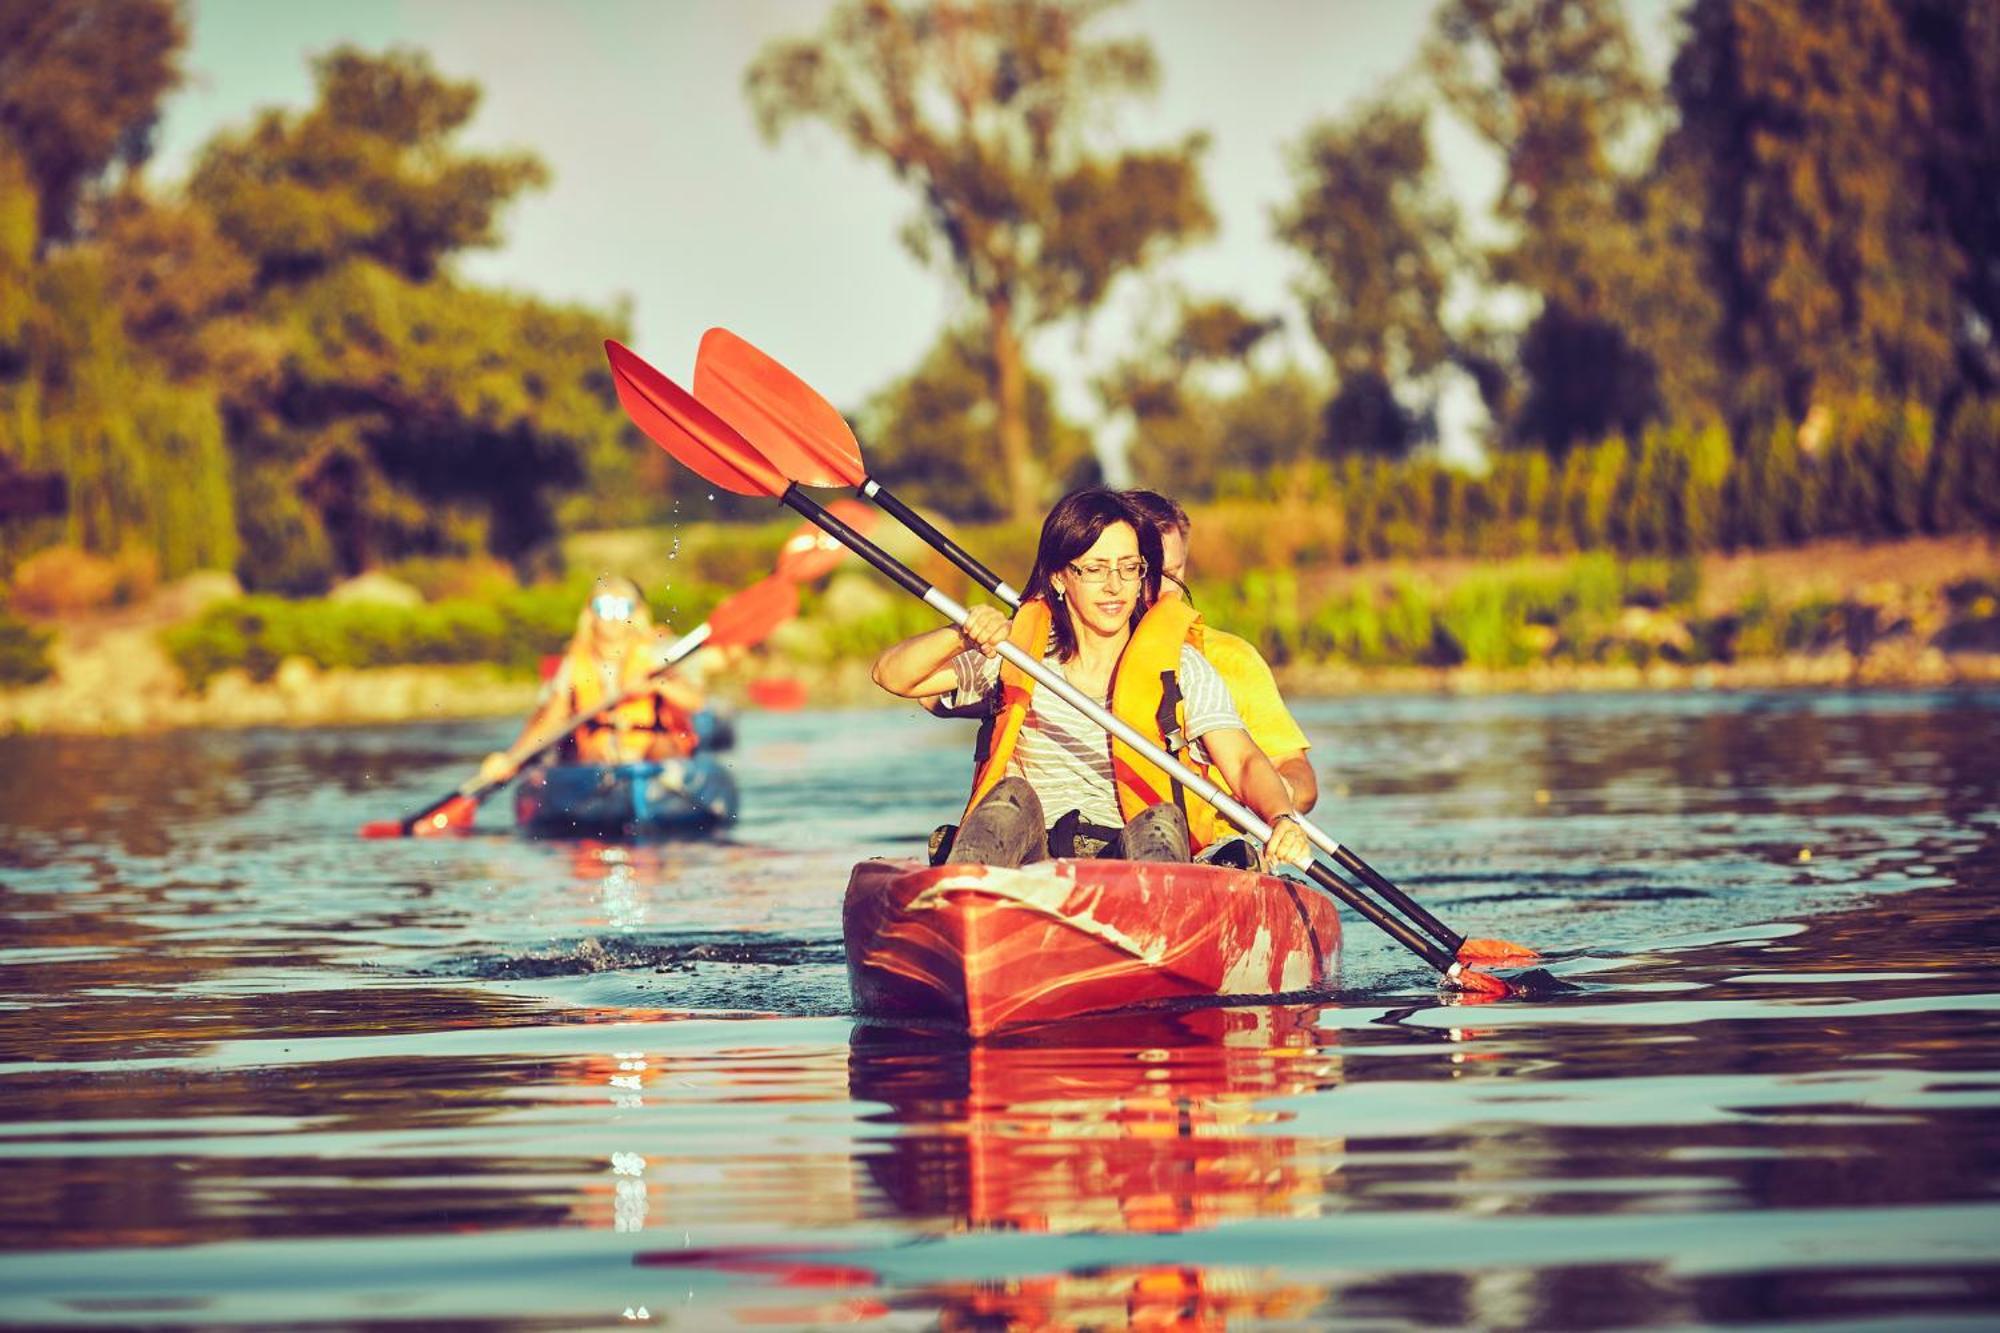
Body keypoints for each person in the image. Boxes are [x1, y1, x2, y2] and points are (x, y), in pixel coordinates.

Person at [871, 487, 1311, 871]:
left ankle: (1155, 923)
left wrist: (1281, 817)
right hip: (1030, 858)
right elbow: (892, 676)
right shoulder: (1015, 656)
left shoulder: (1181, 668)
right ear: (1062, 576)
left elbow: (1245, 762)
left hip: (1136, 855)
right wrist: (961, 634)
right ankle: (967, 895)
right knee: (1008, 800)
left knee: (1160, 819)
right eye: (1096, 569)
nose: (1114, 586)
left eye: (1128, 568)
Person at [1123, 489, 1319, 813]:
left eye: (1172, 573)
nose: (1158, 590)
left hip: (1215, 842)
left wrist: (1276, 796)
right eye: (1143, 572)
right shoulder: (1081, 655)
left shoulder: (1231, 658)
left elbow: (1296, 770)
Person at [479, 576, 707, 783]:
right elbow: (551, 720)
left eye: (622, 609)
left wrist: (656, 684)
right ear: (591, 615)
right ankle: (606, 788)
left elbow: (695, 702)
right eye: (605, 608)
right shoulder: (574, 664)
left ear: (635, 614)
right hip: (599, 756)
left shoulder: (656, 655)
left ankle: (660, 783)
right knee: (594, 752)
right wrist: (512, 758)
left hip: (653, 750)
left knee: (662, 746)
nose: (613, 619)